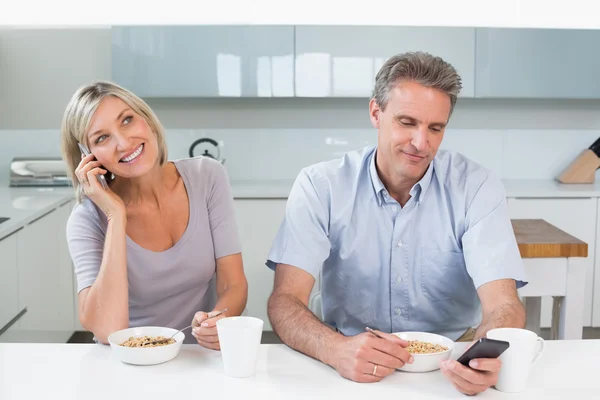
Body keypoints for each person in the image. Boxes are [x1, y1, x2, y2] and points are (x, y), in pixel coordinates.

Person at [265, 52, 528, 395]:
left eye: (436, 128)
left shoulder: (476, 186)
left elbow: (503, 305)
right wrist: (335, 349)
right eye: (407, 122)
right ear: (376, 112)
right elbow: (284, 301)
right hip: (348, 357)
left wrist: (483, 355)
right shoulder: (321, 185)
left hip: (451, 363)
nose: (421, 143)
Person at [61, 81, 248, 348]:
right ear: (87, 156)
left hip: (201, 356)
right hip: (132, 361)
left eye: (127, 120)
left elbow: (234, 284)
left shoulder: (207, 176)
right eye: (102, 138)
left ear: (146, 119)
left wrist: (217, 321)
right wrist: (116, 215)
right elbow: (107, 330)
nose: (124, 143)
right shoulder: (87, 219)